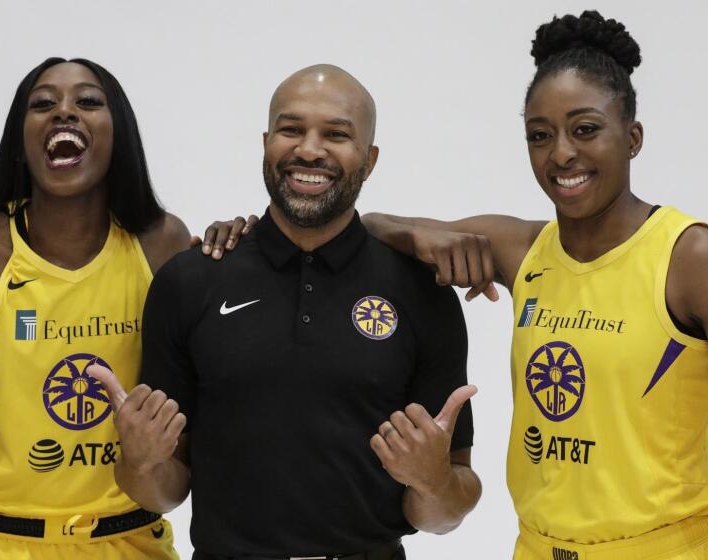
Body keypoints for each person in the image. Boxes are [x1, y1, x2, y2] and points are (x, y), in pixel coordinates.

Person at [361, 11, 708, 559]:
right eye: (540, 136)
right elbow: (368, 224)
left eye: (585, 129)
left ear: (632, 137)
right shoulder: (523, 250)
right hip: (537, 548)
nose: (561, 153)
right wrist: (420, 237)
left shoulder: (695, 261)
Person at [89, 64, 482, 560]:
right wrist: (139, 464)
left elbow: (446, 512)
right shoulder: (191, 281)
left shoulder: (422, 291)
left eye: (336, 134)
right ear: (265, 142)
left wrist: (435, 481)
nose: (309, 149)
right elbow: (164, 492)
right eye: (291, 129)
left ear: (370, 158)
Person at [0, 57, 203, 559]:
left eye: (88, 101)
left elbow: (182, 457)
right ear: (20, 143)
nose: (63, 112)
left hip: (130, 539)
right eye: (42, 104)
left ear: (120, 135)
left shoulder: (161, 245)